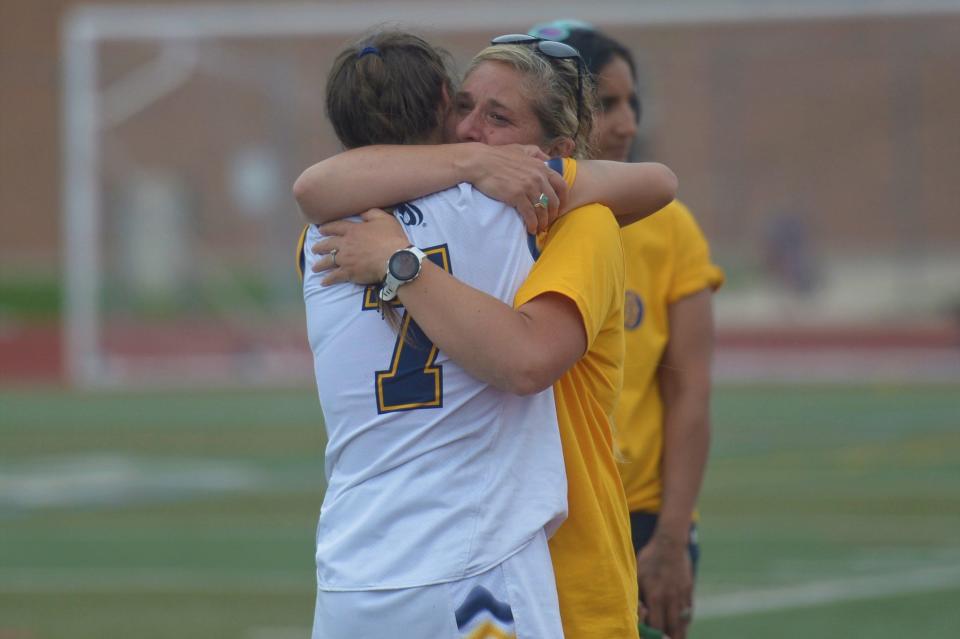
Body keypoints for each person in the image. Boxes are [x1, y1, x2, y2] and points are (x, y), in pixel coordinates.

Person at [297, 34, 679, 639]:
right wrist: (477, 171)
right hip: (485, 566)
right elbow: (658, 181)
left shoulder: (325, 233)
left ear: (550, 149)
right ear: (443, 104)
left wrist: (402, 261)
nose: (473, 132)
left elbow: (315, 187)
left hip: (365, 568)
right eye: (465, 109)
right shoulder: (503, 215)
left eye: (497, 118)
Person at [528, 21, 726, 639]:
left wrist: (673, 535)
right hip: (535, 511)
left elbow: (689, 392)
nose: (627, 123)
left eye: (632, 102)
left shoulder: (671, 227)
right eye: (606, 104)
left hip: (637, 516)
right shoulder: (509, 220)